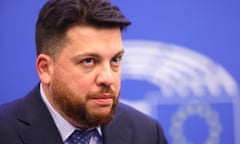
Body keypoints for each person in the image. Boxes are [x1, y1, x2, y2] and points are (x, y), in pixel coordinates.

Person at [0, 0, 167, 143]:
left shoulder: (148, 133)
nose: (108, 78)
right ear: (45, 69)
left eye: (115, 60)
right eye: (89, 61)